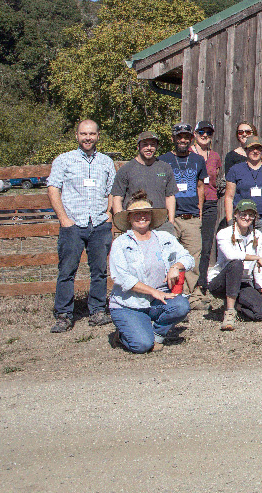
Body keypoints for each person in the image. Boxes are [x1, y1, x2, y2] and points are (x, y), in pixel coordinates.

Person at [46, 119, 117, 332]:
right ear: (77, 136)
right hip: (73, 224)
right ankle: (64, 314)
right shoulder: (64, 160)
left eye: (92, 134)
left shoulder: (106, 162)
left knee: (99, 270)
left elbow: (113, 189)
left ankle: (97, 311)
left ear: (97, 136)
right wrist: (64, 219)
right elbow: (53, 188)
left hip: (99, 224)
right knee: (67, 270)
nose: (88, 138)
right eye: (84, 134)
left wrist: (108, 214)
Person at [107, 192, 195, 353]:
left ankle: (156, 333)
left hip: (158, 300)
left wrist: (176, 266)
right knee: (141, 346)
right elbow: (122, 278)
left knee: (181, 306)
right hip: (129, 304)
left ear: (151, 216)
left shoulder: (164, 238)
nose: (141, 217)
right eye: (136, 214)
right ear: (129, 218)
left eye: (145, 213)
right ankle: (122, 335)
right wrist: (154, 292)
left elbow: (188, 258)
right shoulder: (121, 243)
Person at [223, 136, 262, 302]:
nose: (255, 151)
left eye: (258, 148)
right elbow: (229, 197)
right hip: (244, 221)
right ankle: (242, 295)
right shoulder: (236, 170)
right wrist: (231, 222)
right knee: (242, 259)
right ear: (246, 150)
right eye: (251, 148)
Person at [207, 199, 262, 329]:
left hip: (242, 283)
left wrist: (260, 291)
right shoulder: (224, 233)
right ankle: (229, 312)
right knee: (236, 264)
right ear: (236, 214)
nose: (246, 218)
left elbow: (258, 268)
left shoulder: (258, 235)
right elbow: (232, 256)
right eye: (243, 214)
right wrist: (255, 257)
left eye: (250, 215)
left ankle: (237, 306)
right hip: (220, 282)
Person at [159, 123, 206, 294]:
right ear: (173, 138)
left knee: (193, 258)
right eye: (179, 136)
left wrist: (199, 210)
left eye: (186, 137)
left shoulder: (198, 160)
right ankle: (171, 291)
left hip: (191, 217)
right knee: (170, 257)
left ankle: (189, 294)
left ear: (191, 139)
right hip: (170, 218)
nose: (183, 140)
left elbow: (201, 186)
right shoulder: (163, 160)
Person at [110, 132, 177, 234]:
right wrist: (123, 224)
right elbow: (117, 198)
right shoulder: (126, 169)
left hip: (162, 226)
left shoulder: (165, 168)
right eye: (145, 144)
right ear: (138, 147)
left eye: (153, 145)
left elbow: (170, 196)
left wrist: (171, 221)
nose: (149, 148)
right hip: (135, 225)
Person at [191, 120, 222, 293]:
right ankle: (188, 281)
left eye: (208, 133)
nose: (205, 136)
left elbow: (215, 179)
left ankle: (201, 283)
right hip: (191, 204)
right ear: (195, 134)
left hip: (210, 202)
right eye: (201, 132)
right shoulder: (188, 153)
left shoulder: (215, 156)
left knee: (206, 243)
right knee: (191, 243)